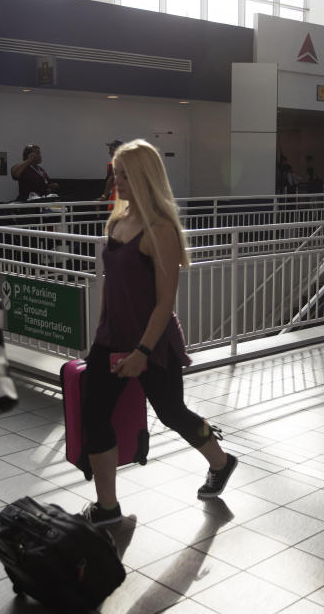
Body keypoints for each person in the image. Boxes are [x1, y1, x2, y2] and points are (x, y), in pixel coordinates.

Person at [81, 139, 237, 526]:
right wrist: (99, 338)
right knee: (94, 416)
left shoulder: (161, 231)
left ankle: (221, 461)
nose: (118, 181)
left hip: (152, 344)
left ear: (146, 177)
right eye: (116, 173)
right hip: (110, 341)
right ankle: (107, 507)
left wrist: (142, 352)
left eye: (125, 174)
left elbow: (164, 303)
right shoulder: (117, 222)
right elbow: (109, 285)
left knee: (171, 413)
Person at [99, 139, 123, 208]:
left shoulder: (113, 164)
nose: (109, 152)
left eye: (110, 149)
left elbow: (111, 180)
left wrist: (104, 196)